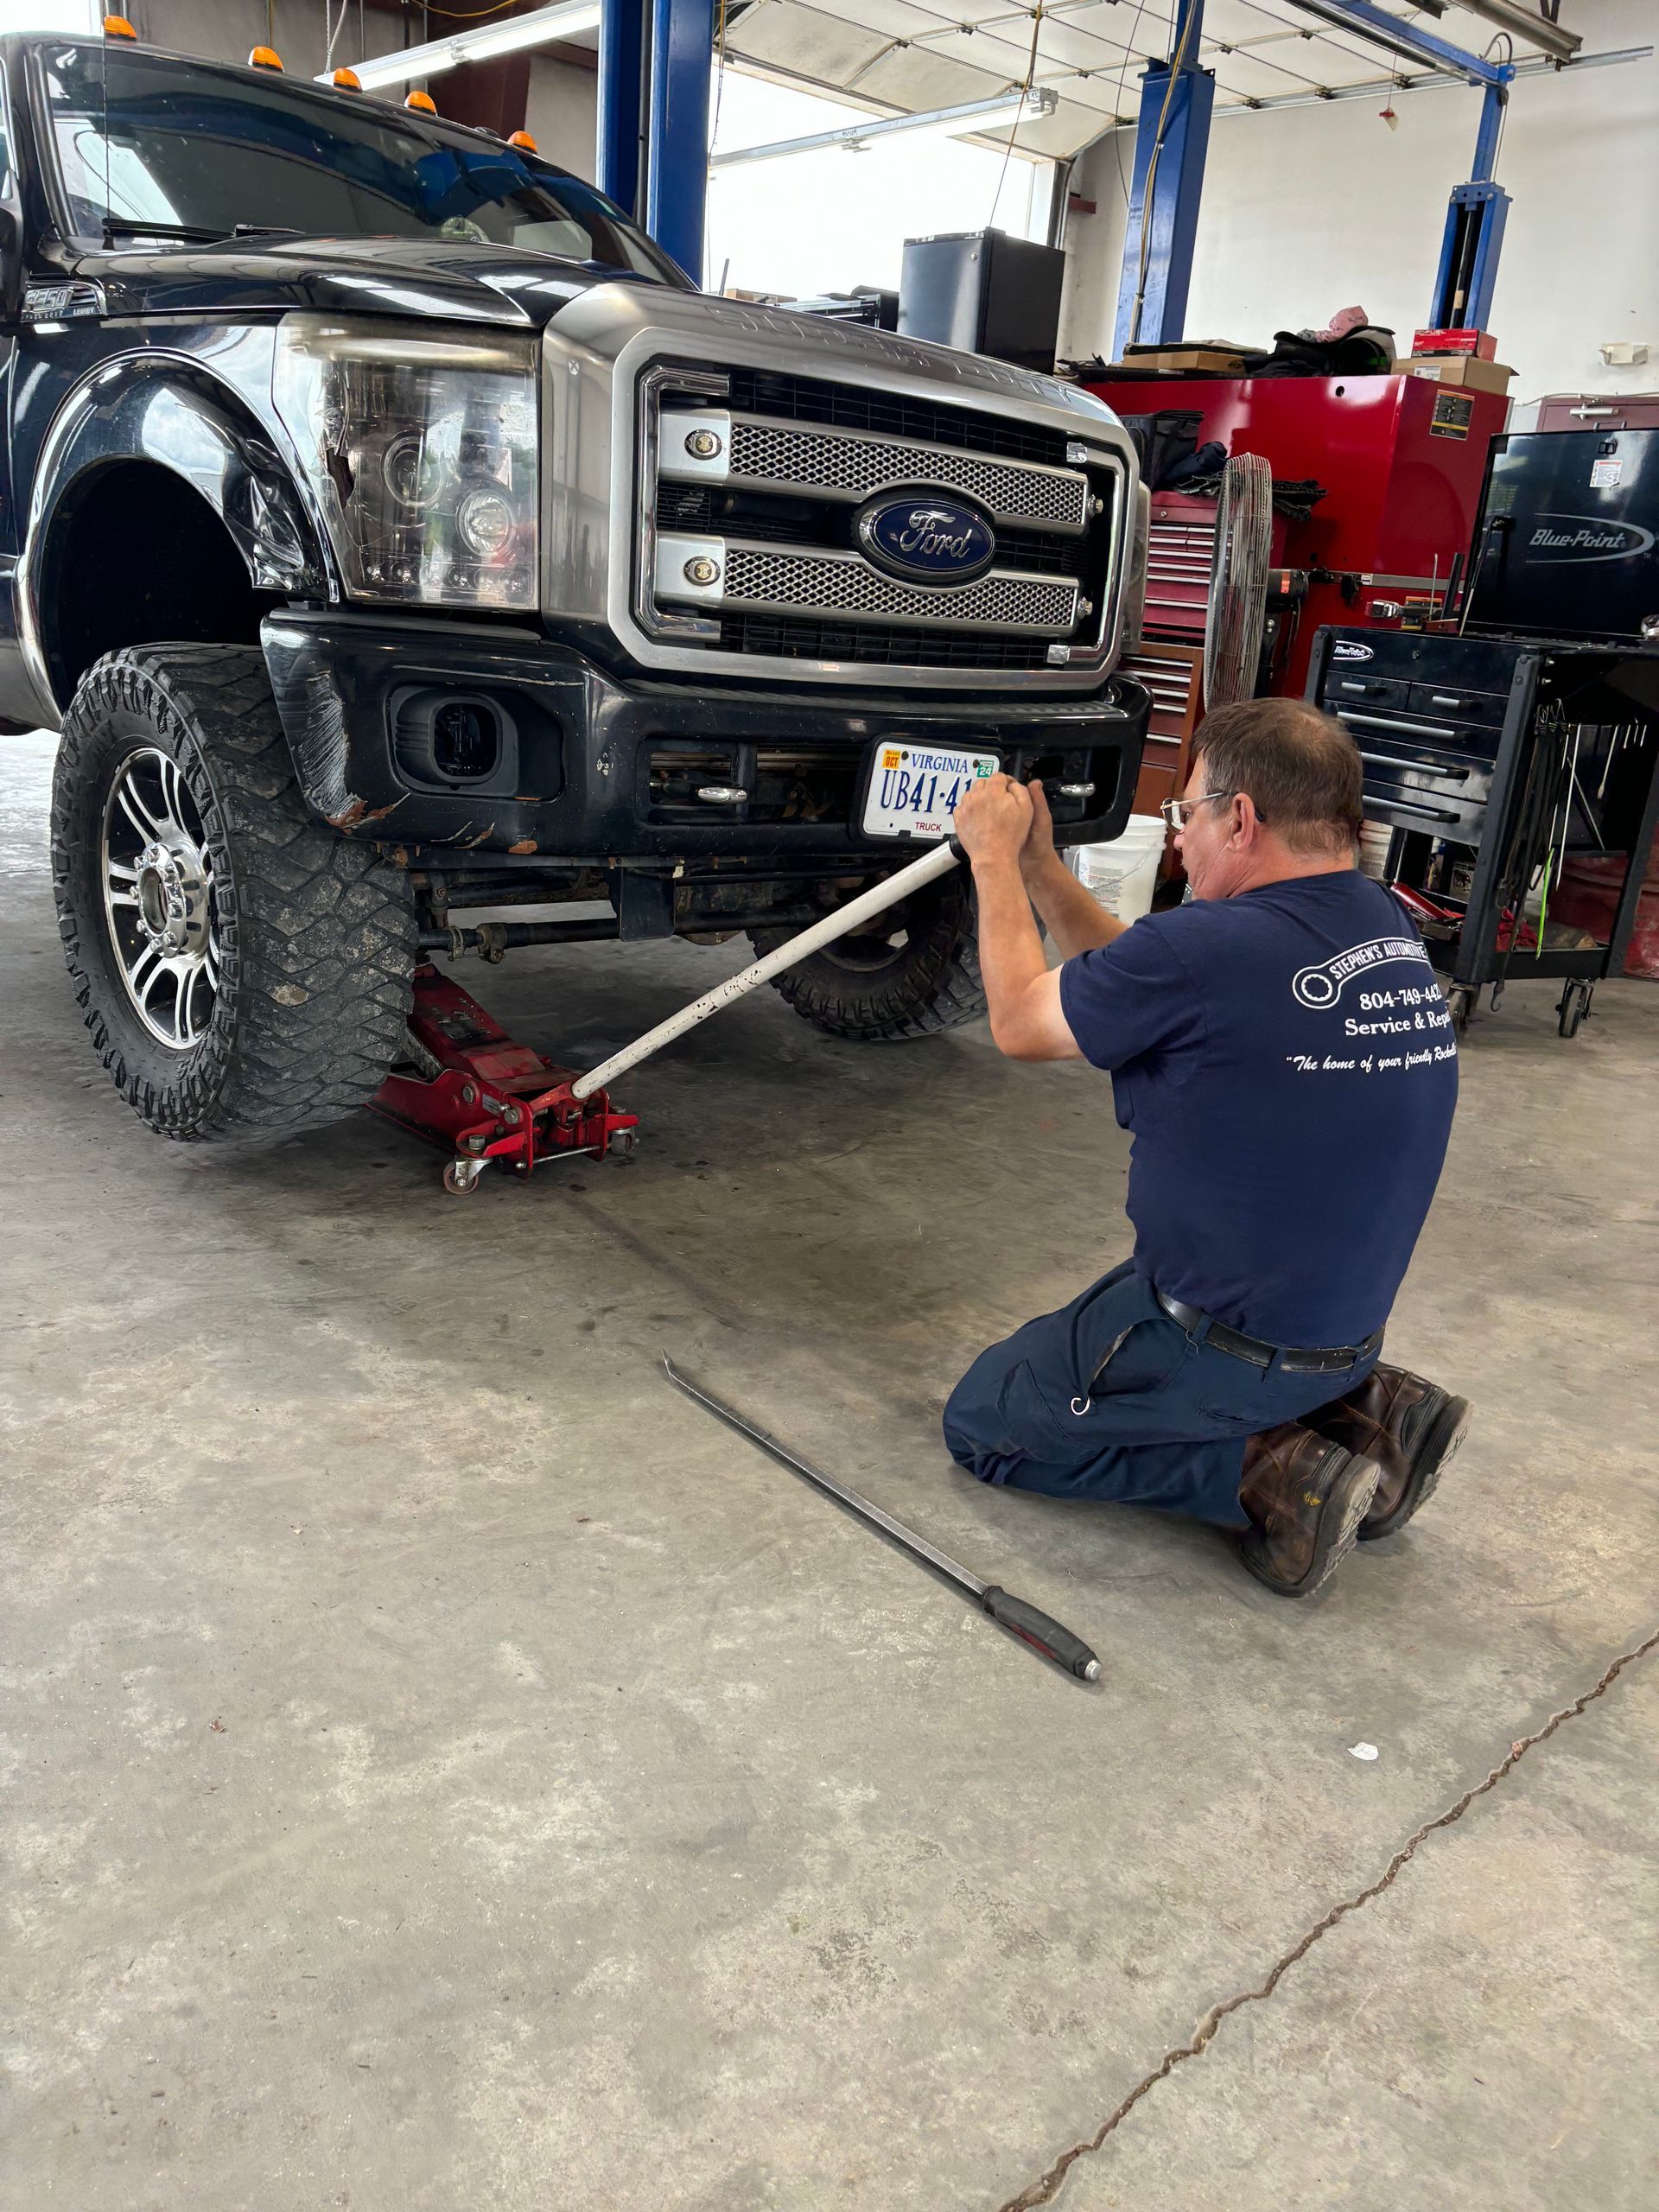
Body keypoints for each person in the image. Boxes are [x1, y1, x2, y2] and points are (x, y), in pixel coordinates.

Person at [944, 697, 1470, 1599]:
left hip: (1222, 1344)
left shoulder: (1209, 948)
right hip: (1340, 1332)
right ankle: (1371, 1408)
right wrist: (1039, 868)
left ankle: (1265, 1472)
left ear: (1243, 817)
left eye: (1188, 815)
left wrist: (990, 859)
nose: (1180, 841)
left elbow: (1021, 1024)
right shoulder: (1380, 926)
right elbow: (1131, 980)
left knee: (988, 1419)